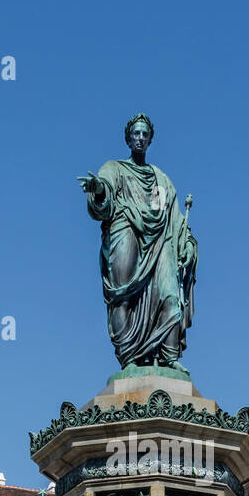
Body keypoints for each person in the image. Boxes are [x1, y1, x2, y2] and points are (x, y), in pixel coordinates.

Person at [78, 114, 198, 369]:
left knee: (171, 296)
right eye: (136, 134)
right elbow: (104, 197)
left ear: (151, 139)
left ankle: (169, 357)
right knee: (122, 295)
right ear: (128, 139)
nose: (141, 138)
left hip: (161, 241)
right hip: (126, 231)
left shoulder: (161, 179)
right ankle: (128, 357)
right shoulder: (114, 169)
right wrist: (99, 190)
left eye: (145, 134)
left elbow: (175, 219)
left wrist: (186, 243)